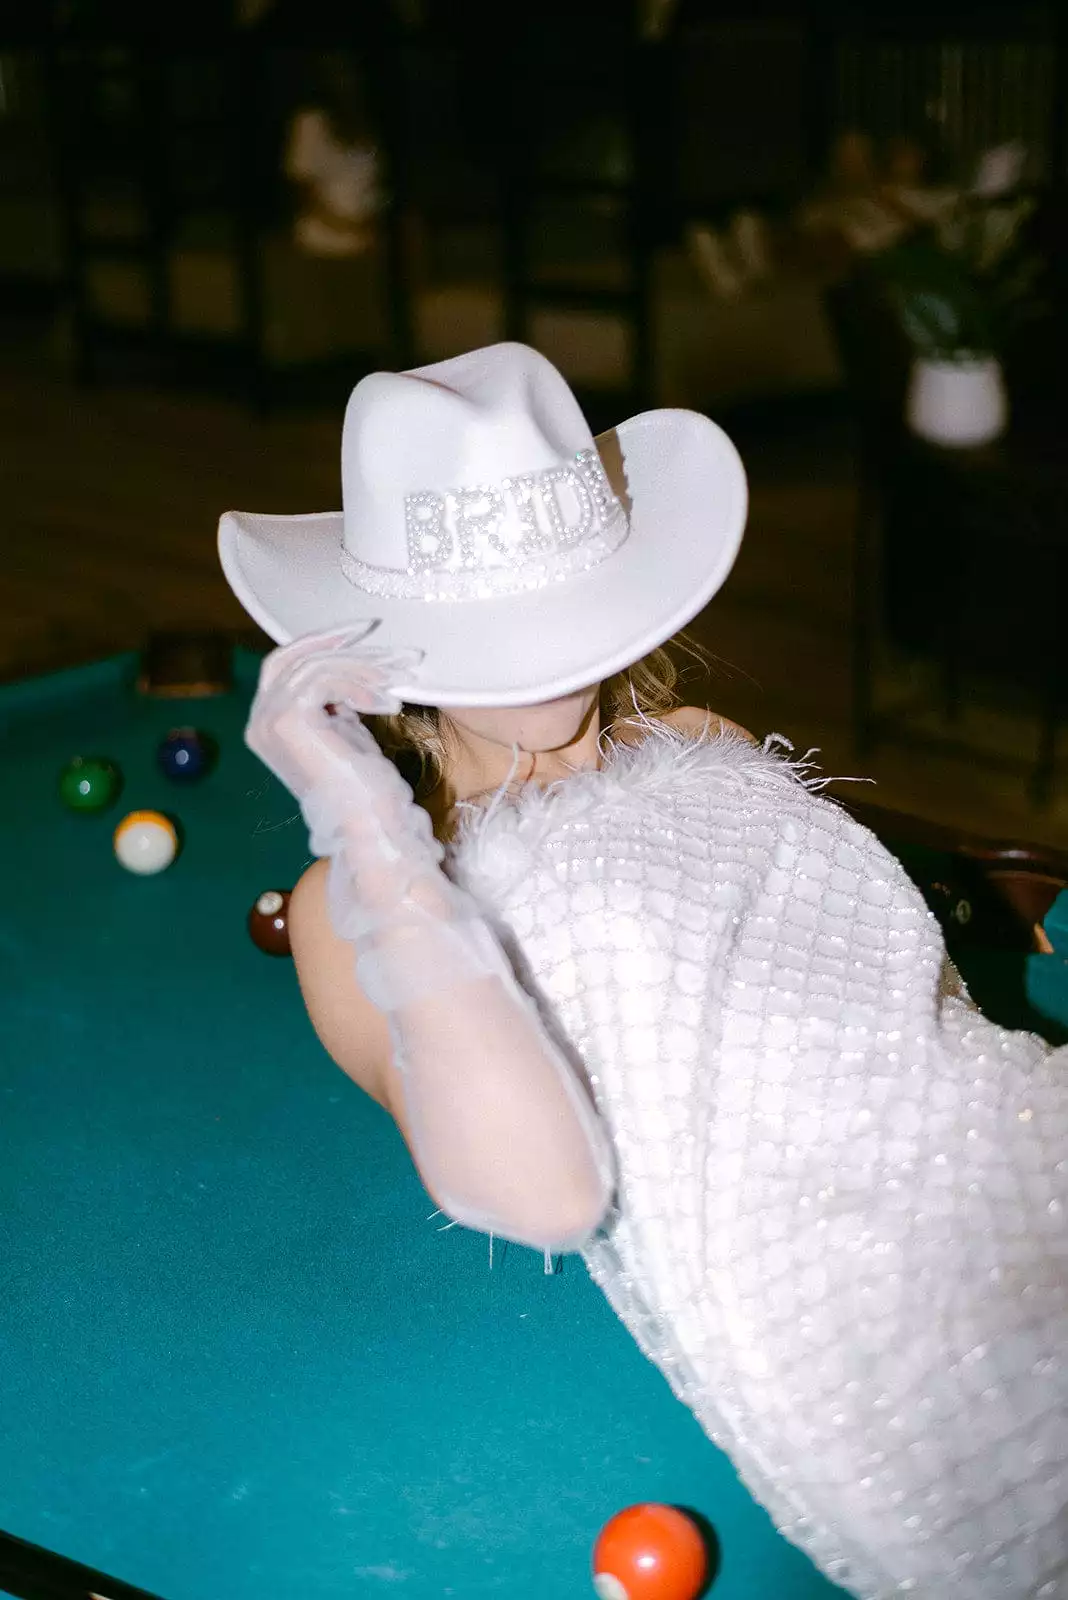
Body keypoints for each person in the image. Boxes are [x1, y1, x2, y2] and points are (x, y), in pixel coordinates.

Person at [219, 343, 1067, 1600]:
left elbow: (911, 1004)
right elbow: (545, 1193)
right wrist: (364, 822)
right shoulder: (354, 906)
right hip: (865, 1300)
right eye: (486, 616)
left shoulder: (703, 741)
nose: (543, 654)